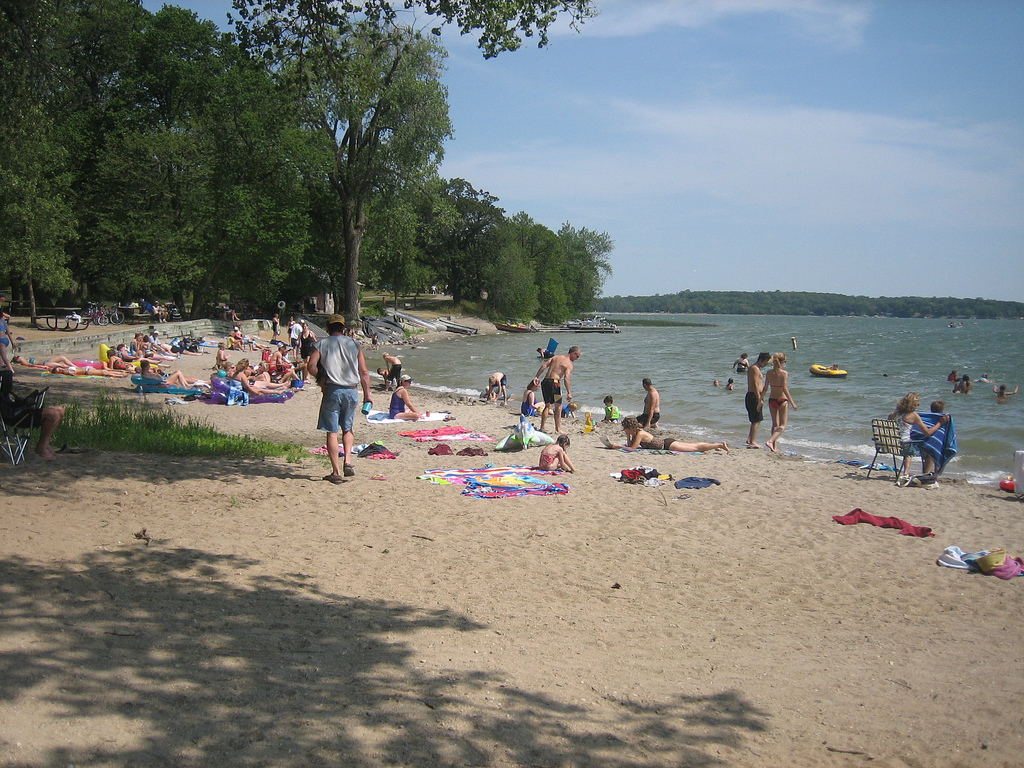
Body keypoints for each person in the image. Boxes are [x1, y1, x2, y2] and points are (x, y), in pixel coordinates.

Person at [307, 315, 371, 483]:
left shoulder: (321, 344)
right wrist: (367, 395)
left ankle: (336, 472)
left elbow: (311, 366)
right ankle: (348, 461)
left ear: (328, 328)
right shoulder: (354, 344)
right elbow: (364, 372)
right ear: (344, 328)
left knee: (332, 431)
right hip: (351, 390)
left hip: (333, 389)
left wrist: (322, 379)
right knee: (348, 428)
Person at [0, 369, 65, 460]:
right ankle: (41, 447)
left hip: (16, 411)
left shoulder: (4, 386)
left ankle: (45, 444)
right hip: (13, 417)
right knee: (53, 414)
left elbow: (9, 401)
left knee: (60, 410)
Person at [888, 392, 950, 477]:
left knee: (911, 441)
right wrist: (940, 423)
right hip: (905, 446)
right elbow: (928, 433)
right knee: (931, 447)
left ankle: (921, 472)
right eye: (917, 403)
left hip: (893, 445)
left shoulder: (893, 414)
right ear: (913, 404)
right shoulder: (913, 415)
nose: (918, 405)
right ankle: (912, 472)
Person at [608, 417, 729, 453]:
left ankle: (719, 445)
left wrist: (617, 446)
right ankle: (715, 445)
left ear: (630, 428)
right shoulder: (635, 434)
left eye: (625, 428)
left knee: (695, 448)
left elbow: (632, 448)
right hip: (667, 442)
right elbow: (631, 445)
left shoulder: (639, 433)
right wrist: (628, 436)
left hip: (667, 445)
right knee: (692, 444)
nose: (624, 430)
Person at [533, 345, 581, 435]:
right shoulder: (569, 364)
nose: (577, 359)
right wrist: (569, 393)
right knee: (558, 406)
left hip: (545, 382)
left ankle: (542, 427)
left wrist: (536, 377)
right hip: (555, 383)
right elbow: (566, 378)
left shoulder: (556, 357)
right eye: (577, 356)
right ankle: (558, 429)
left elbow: (544, 365)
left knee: (547, 405)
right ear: (573, 353)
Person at [763, 352, 797, 453]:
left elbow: (765, 387)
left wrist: (760, 399)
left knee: (775, 424)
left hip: (772, 399)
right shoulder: (784, 373)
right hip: (782, 400)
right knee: (782, 425)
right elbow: (785, 389)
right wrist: (793, 403)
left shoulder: (769, 373)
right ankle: (770, 441)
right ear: (782, 362)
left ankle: (774, 447)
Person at [744, 352, 771, 448]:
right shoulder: (754, 368)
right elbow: (755, 384)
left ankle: (750, 439)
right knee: (756, 420)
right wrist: (759, 399)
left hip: (755, 395)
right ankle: (752, 441)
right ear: (761, 360)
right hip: (754, 395)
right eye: (765, 362)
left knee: (756, 420)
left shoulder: (757, 368)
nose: (766, 364)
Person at [138, 359, 206, 390]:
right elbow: (155, 379)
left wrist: (156, 373)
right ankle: (186, 386)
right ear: (146, 367)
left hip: (162, 380)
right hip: (163, 382)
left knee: (178, 372)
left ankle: (186, 385)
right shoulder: (146, 374)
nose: (149, 367)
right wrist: (157, 375)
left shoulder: (145, 372)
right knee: (178, 372)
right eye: (149, 366)